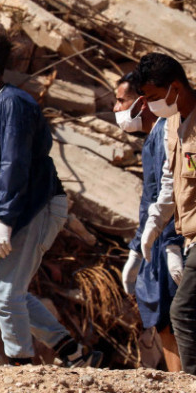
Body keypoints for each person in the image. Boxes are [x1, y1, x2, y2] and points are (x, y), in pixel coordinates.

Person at [0, 25, 100, 367]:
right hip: (11, 205)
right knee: (9, 291)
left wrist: (5, 220)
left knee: (2, 293)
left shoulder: (14, 104)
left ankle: (22, 367)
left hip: (33, 206)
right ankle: (73, 353)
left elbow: (16, 165)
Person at [116, 71, 183, 371]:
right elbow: (150, 202)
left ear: (141, 103)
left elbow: (172, 196)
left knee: (172, 317)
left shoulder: (165, 136)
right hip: (157, 239)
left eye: (121, 100)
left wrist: (171, 244)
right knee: (164, 318)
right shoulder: (152, 140)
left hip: (170, 238)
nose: (116, 109)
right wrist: (134, 248)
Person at [134, 52, 196, 373]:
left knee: (182, 311)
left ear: (175, 88)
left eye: (155, 97)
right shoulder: (173, 123)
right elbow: (171, 182)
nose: (151, 106)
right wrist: (157, 226)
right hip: (189, 237)